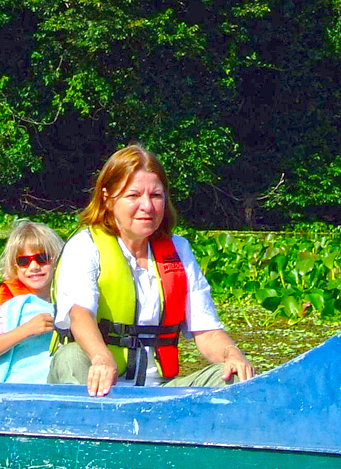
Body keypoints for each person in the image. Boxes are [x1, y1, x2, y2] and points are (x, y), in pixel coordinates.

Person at [49, 144, 255, 396]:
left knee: (232, 375)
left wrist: (231, 354)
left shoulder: (179, 250)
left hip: (160, 392)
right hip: (98, 385)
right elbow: (80, 316)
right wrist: (101, 357)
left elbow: (207, 330)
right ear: (108, 198)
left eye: (156, 196)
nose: (147, 206)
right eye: (133, 196)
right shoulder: (84, 246)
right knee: (70, 357)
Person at [0, 220, 63, 383]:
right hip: (15, 385)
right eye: (23, 261)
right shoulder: (12, 308)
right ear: (14, 267)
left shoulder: (69, 304)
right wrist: (27, 329)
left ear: (57, 260)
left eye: (42, 258)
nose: (33, 266)